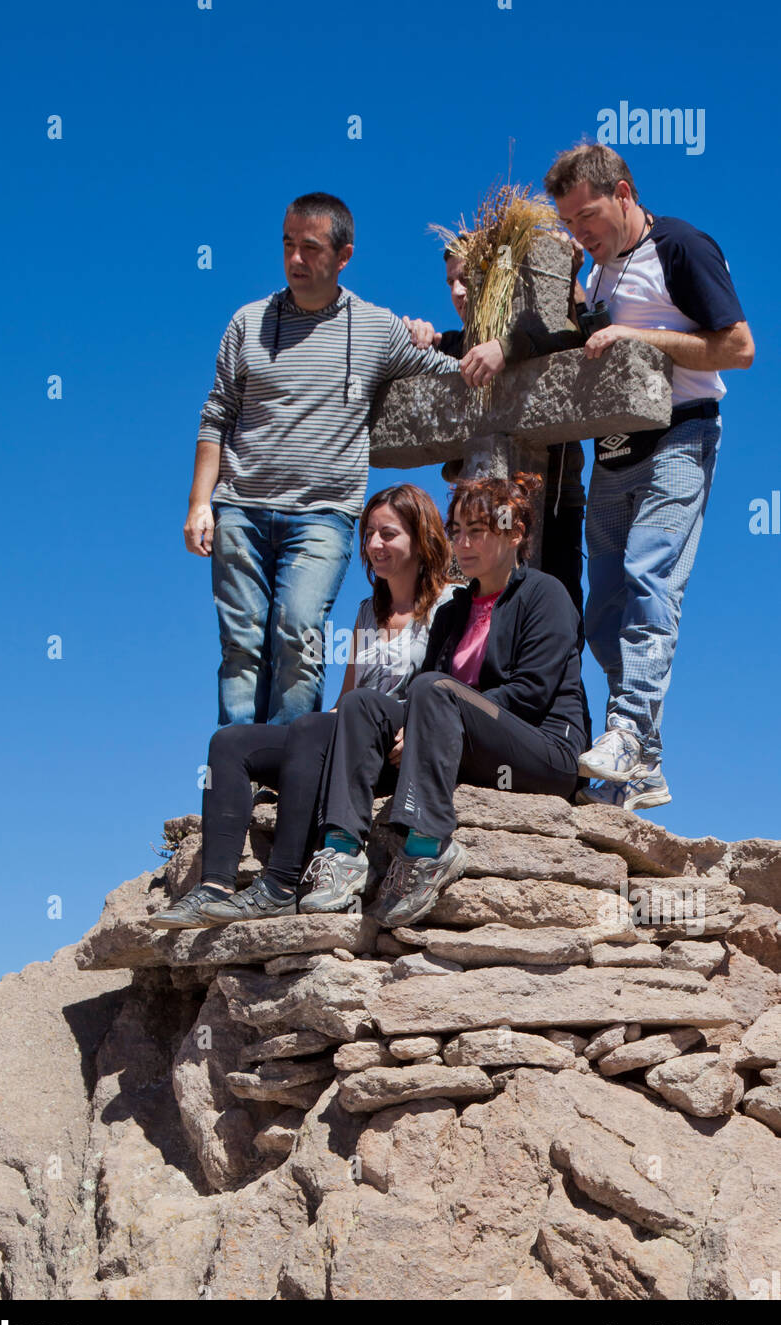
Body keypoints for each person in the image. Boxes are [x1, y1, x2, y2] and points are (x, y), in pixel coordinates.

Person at [184, 192, 460, 729]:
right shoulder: (247, 322)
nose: (295, 260)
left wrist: (437, 336)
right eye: (288, 245)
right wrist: (200, 504)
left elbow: (449, 371)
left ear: (343, 255)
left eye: (310, 248)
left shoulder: (376, 328)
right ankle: (239, 773)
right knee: (241, 644)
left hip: (322, 515)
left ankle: (287, 775)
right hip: (239, 508)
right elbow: (215, 414)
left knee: (300, 634)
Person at [542, 144, 754, 810]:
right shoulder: (599, 271)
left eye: (588, 217)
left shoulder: (682, 246)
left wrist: (647, 341)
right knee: (602, 608)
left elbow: (739, 349)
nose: (580, 233)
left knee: (647, 574)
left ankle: (628, 731)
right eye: (569, 223)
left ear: (624, 192)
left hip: (681, 433)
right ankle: (648, 761)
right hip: (613, 448)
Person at [152, 485, 454, 927]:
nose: (373, 545)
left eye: (388, 534)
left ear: (421, 537)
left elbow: (451, 687)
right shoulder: (370, 610)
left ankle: (281, 885)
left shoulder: (448, 603)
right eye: (368, 533)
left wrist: (419, 730)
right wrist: (315, 725)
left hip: (393, 748)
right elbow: (347, 696)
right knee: (231, 742)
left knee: (313, 731)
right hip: (348, 732)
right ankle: (213, 886)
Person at [299, 473, 587, 928]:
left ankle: (425, 849)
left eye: (477, 531)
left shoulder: (544, 594)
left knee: (435, 689)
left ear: (514, 534)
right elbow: (425, 697)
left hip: (542, 750)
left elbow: (530, 694)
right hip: (469, 742)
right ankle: (341, 851)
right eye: (456, 531)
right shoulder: (453, 610)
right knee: (361, 705)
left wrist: (430, 721)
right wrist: (412, 726)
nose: (463, 543)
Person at [404, 237, 588, 616]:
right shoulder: (452, 347)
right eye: (450, 282)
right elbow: (406, 363)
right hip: (476, 507)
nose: (457, 291)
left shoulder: (542, 335)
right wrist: (414, 336)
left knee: (559, 617)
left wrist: (567, 279)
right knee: (473, 617)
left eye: (468, 280)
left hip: (553, 498)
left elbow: (575, 335)